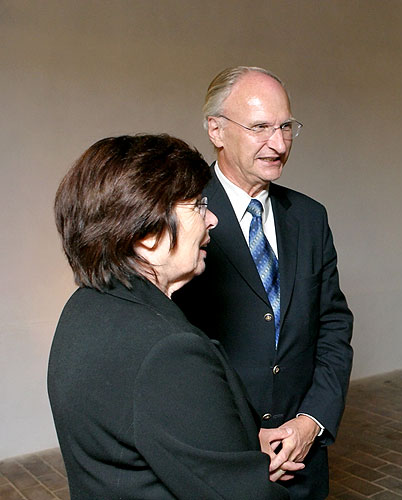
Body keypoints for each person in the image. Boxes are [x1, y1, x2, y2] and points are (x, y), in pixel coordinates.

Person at [48, 134, 290, 499]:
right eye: (197, 205)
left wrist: (233, 440)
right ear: (147, 233)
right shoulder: (168, 352)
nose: (212, 219)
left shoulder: (84, 307)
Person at [173, 66, 353, 499]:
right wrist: (236, 435)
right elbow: (173, 347)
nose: (278, 144)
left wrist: (312, 421)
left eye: (285, 127)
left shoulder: (310, 218)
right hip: (219, 462)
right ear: (216, 129)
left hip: (302, 459)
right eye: (260, 127)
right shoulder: (180, 215)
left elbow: (332, 327)